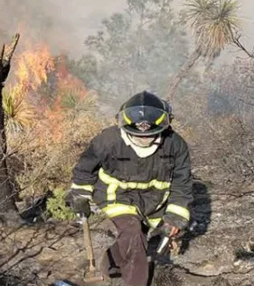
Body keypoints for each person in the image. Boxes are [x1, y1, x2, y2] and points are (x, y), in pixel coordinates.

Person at [66, 91, 192, 286]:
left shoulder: (175, 145)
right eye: (137, 135)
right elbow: (85, 168)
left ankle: (108, 265)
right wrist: (80, 195)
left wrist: (175, 216)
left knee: (137, 237)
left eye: (149, 135)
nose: (143, 139)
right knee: (133, 234)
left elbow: (181, 182)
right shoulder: (108, 140)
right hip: (115, 195)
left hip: (153, 201)